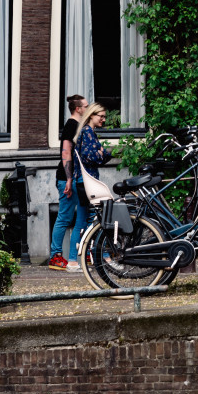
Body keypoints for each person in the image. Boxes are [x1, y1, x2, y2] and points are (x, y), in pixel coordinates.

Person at [68, 102, 113, 273]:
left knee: (83, 220)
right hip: (88, 182)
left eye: (104, 117)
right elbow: (91, 156)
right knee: (96, 218)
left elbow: (103, 155)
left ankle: (74, 259)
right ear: (91, 115)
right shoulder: (87, 132)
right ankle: (102, 255)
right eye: (100, 116)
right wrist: (100, 153)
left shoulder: (87, 132)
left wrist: (102, 153)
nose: (103, 119)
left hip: (82, 181)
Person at [47, 94, 86, 270]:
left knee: (72, 216)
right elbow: (66, 153)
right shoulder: (71, 125)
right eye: (85, 106)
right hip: (66, 178)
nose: (88, 109)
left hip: (72, 177)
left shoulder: (77, 125)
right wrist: (69, 178)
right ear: (78, 109)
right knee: (64, 216)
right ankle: (55, 256)